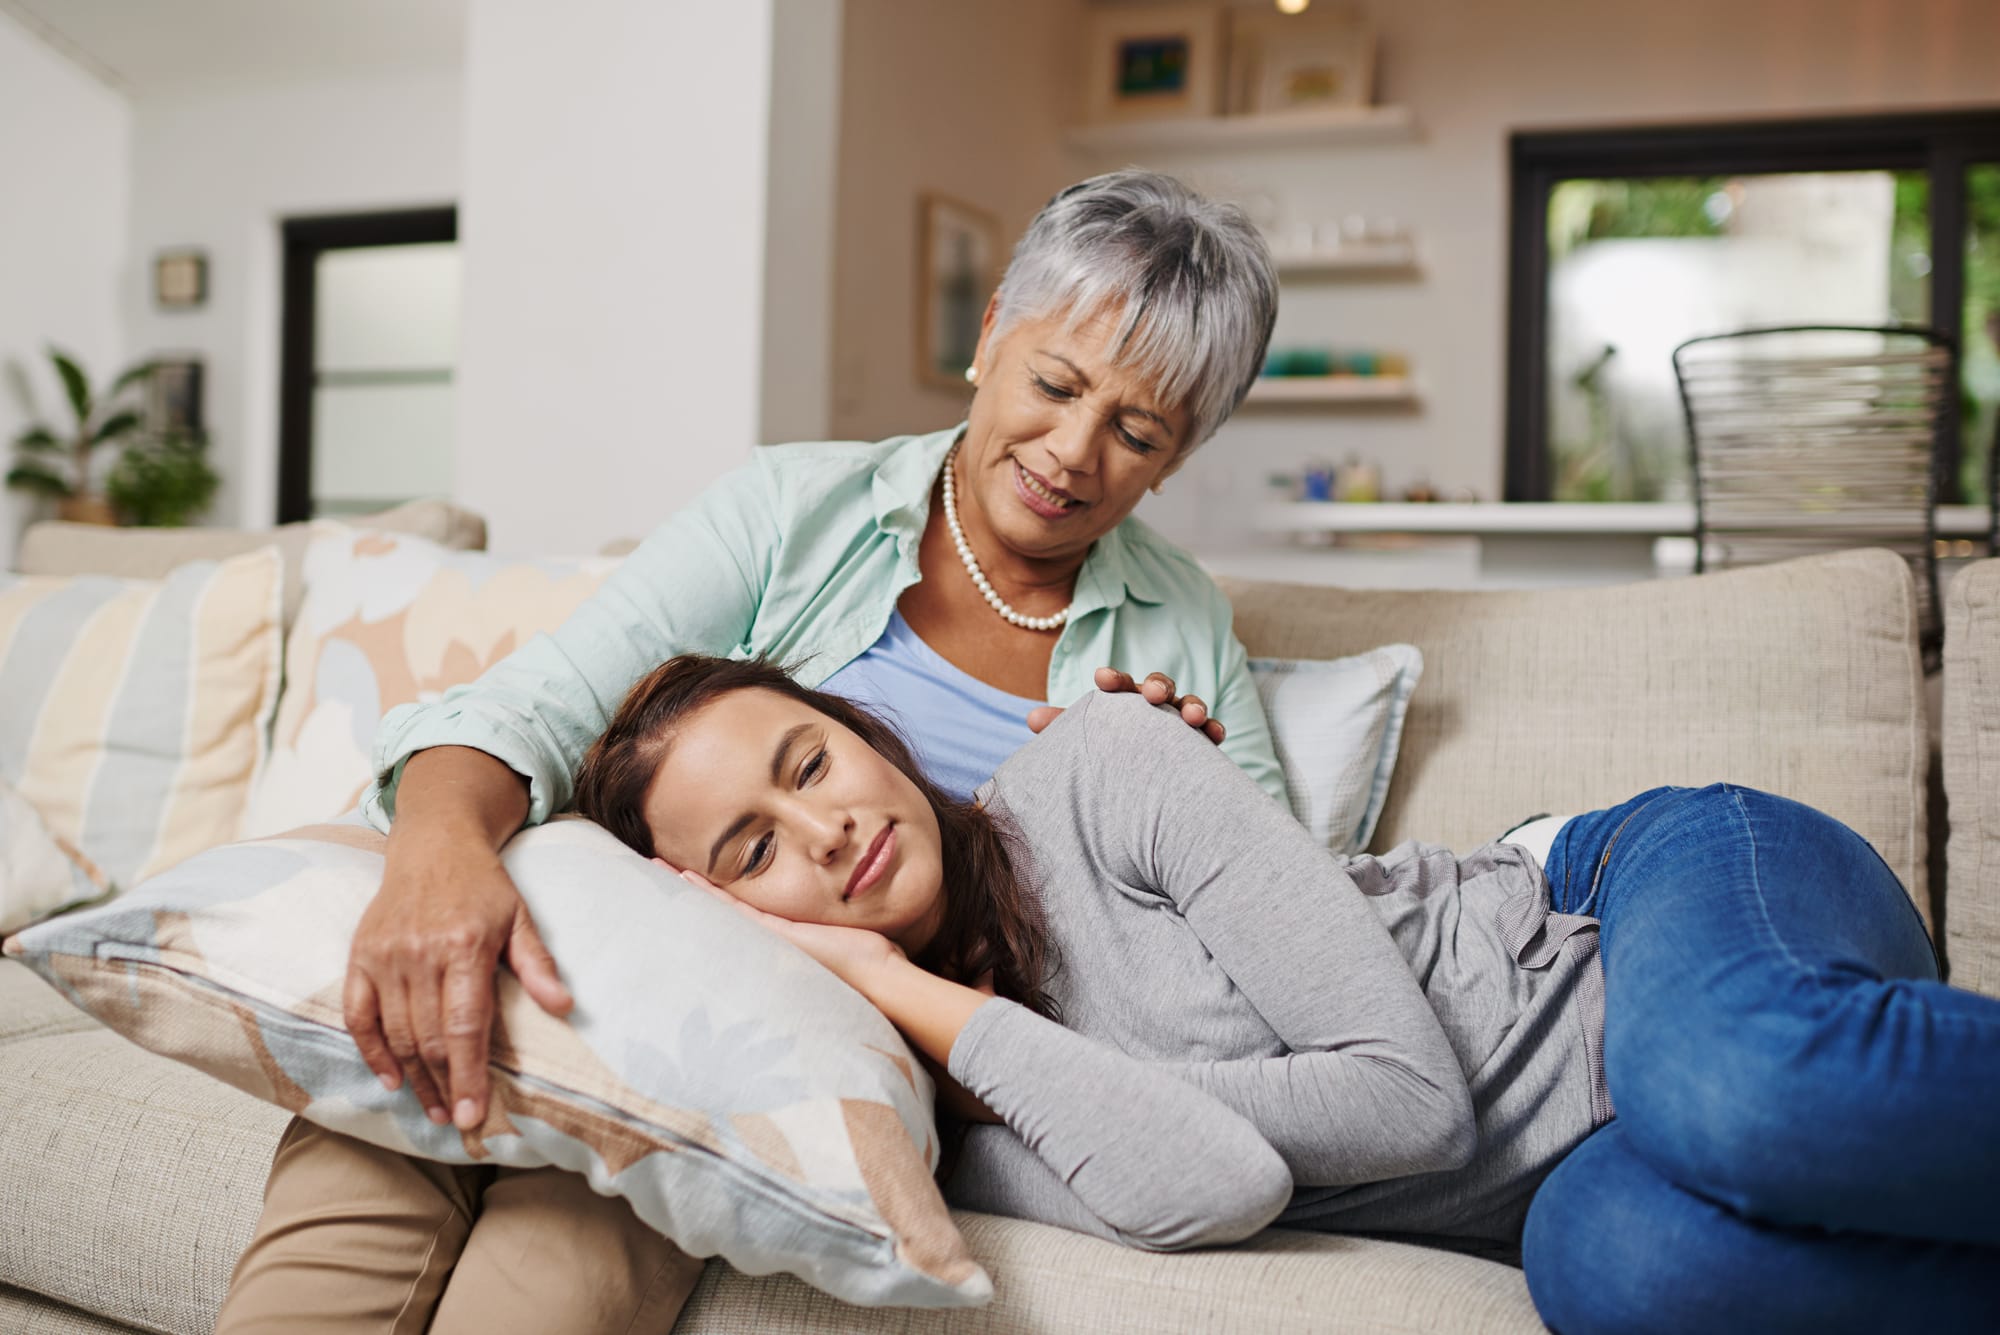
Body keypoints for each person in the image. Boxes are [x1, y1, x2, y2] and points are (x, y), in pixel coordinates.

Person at [217, 169, 1288, 1334]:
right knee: (409, 1062)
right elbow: (539, 701)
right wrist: (435, 857)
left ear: (1174, 457)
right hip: (623, 952)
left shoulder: (1179, 629)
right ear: (989, 337)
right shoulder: (795, 510)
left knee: (587, 1212)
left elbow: (1277, 942)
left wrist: (1182, 802)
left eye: (1136, 432)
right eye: (1053, 383)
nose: (1073, 453)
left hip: (810, 1044)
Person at [575, 655, 2000, 1335]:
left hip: (1633, 906)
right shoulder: (959, 1118)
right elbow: (1224, 1182)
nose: (821, 827)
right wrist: (909, 997)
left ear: (863, 731)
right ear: (718, 915)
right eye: (752, 846)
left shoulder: (1098, 766)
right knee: (1631, 1280)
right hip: (1582, 1170)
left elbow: (1406, 1095)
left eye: (808, 759)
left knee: (1734, 1085)